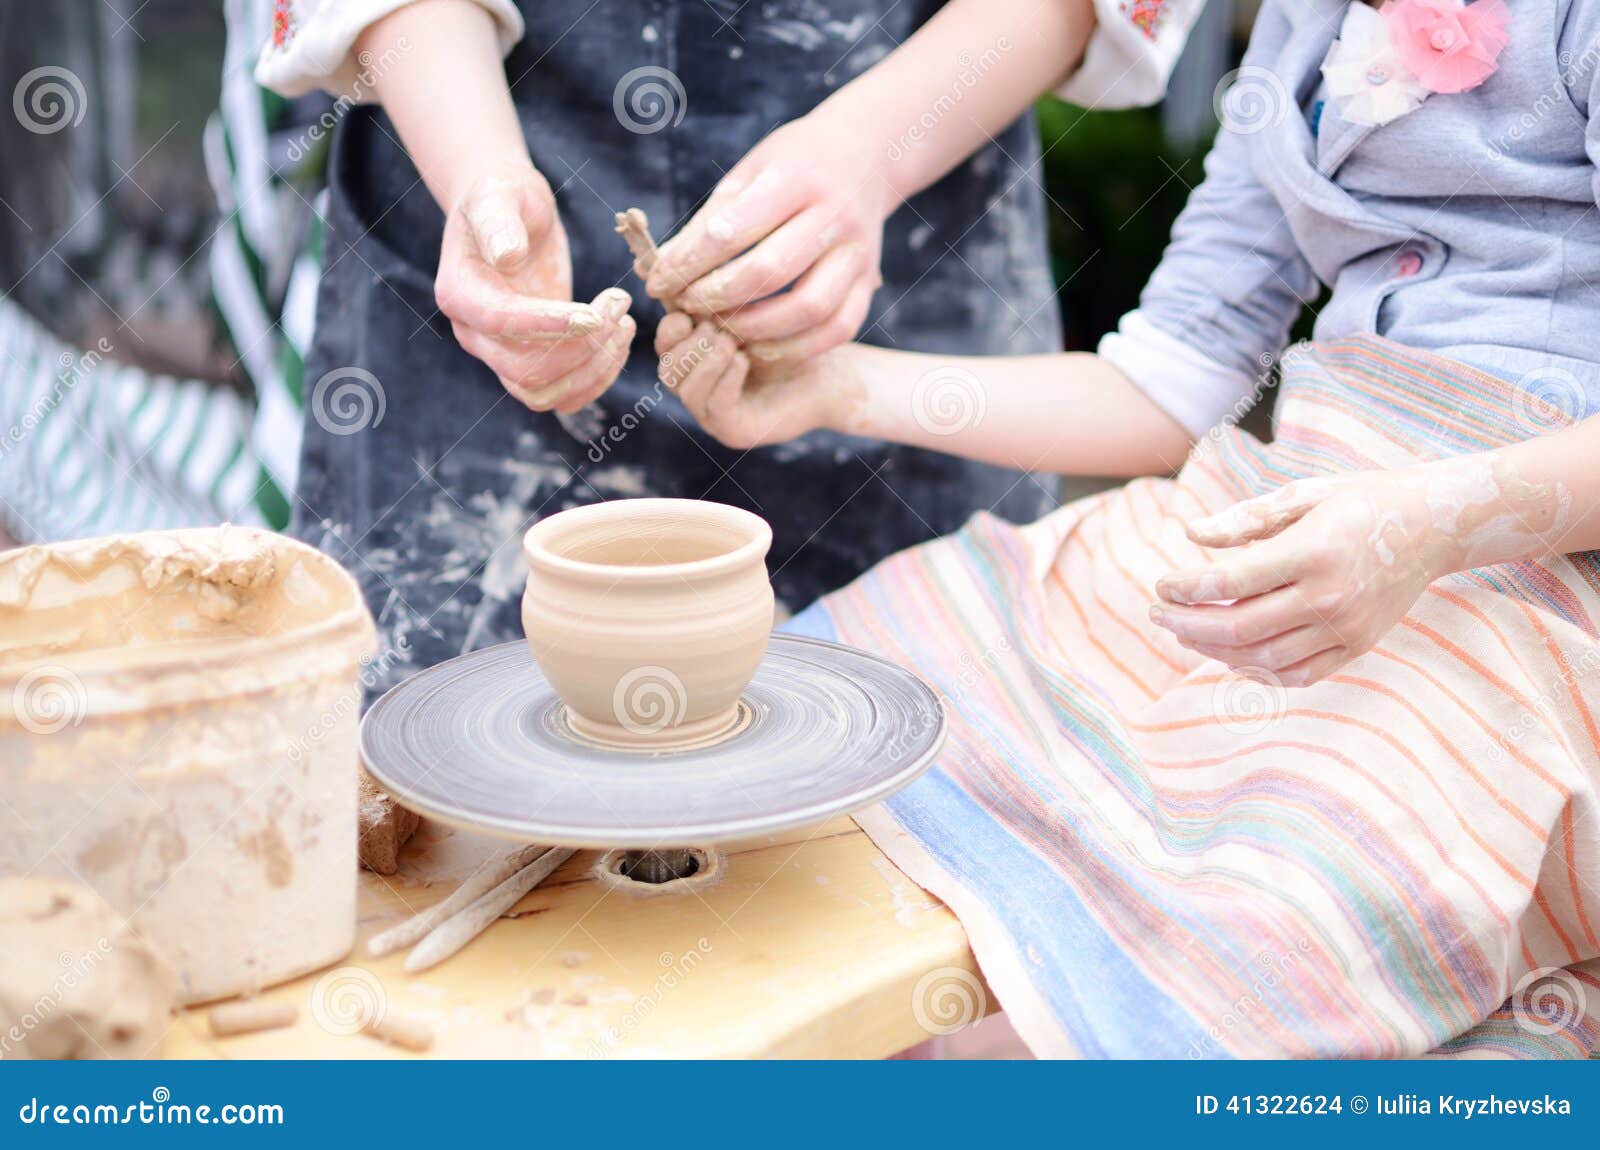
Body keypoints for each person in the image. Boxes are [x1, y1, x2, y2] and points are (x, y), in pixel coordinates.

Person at [658, 0, 1600, 1057]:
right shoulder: (1300, 31)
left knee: (1252, 935)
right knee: (826, 721)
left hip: (1535, 572)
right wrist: (831, 386)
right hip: (1287, 504)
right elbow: (1169, 385)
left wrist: (1427, 522)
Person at [255, 0, 1204, 686]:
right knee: (444, 776)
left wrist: (874, 150)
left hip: (903, 231)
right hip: (469, 176)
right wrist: (480, 177)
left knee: (908, 816)